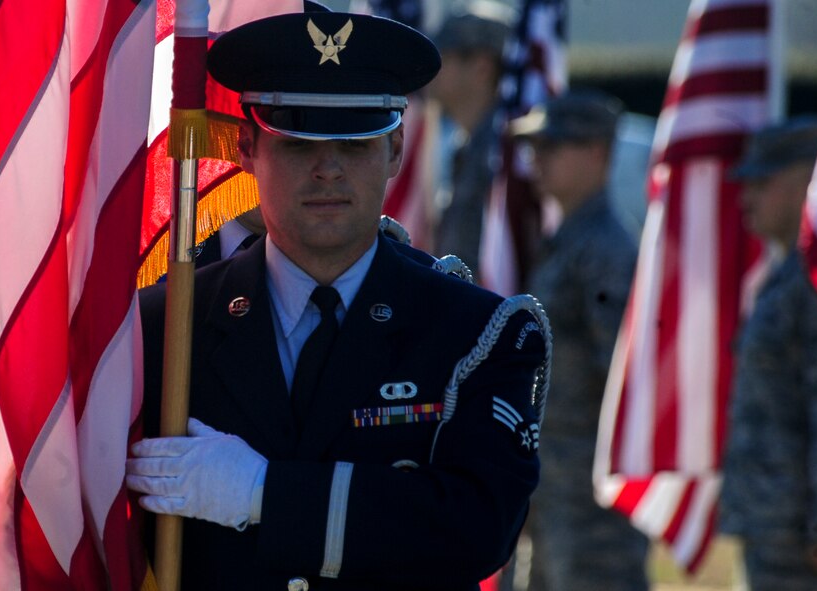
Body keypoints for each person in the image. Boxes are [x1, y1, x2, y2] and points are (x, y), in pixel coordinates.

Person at [126, 8, 549, 591]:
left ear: (395, 150)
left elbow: (480, 528)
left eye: (354, 142)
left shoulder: (477, 335)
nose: (328, 169)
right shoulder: (163, 327)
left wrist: (262, 494)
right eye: (298, 140)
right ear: (246, 148)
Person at [512, 91, 649, 591]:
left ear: (598, 153)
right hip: (556, 485)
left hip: (593, 499)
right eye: (534, 148)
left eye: (554, 146)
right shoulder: (569, 240)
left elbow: (624, 378)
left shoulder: (605, 249)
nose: (538, 161)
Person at [719, 117, 817, 591]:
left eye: (762, 182)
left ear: (808, 179)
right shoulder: (790, 277)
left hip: (802, 537)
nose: (745, 198)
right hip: (776, 525)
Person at [428, 6, 511, 277]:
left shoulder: (507, 156)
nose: (429, 69)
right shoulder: (466, 144)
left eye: (441, 58)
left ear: (481, 67)